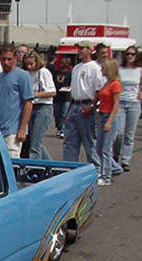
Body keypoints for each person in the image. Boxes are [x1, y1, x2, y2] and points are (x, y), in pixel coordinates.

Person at [63, 40, 107, 172]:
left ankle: (97, 170)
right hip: (75, 104)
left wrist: (92, 106)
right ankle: (69, 169)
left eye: (82, 49)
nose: (80, 51)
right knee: (70, 141)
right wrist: (68, 111)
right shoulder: (76, 68)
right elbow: (73, 91)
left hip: (87, 104)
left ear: (90, 50)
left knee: (89, 141)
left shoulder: (95, 68)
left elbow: (99, 90)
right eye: (79, 49)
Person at [0, 43, 34, 158]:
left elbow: (28, 103)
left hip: (13, 131)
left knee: (11, 162)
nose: (6, 62)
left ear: (15, 59)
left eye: (9, 59)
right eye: (3, 59)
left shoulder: (22, 76)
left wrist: (22, 129)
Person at [112, 47, 142, 171]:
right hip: (120, 103)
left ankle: (125, 160)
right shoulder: (120, 69)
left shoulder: (140, 71)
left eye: (133, 54)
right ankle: (115, 155)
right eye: (128, 54)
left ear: (136, 56)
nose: (130, 56)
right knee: (118, 133)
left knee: (129, 134)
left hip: (134, 103)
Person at [23, 50, 56, 159]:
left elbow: (52, 92)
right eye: (27, 64)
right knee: (34, 140)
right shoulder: (26, 74)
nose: (29, 67)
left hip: (43, 106)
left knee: (36, 142)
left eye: (31, 64)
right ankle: (49, 164)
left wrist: (35, 94)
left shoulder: (44, 72)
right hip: (31, 106)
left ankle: (34, 165)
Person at [95, 59, 122, 186]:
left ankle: (106, 177)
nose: (101, 70)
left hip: (110, 116)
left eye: (104, 68)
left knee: (105, 149)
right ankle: (114, 168)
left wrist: (109, 121)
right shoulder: (107, 83)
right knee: (99, 148)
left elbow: (116, 104)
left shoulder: (115, 84)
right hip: (102, 115)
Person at [48, 55, 72, 138]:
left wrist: (69, 87)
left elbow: (71, 84)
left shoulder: (70, 73)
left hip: (66, 97)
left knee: (64, 114)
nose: (62, 64)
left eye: (64, 63)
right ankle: (59, 127)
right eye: (60, 62)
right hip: (56, 97)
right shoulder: (55, 72)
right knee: (56, 114)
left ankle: (63, 130)